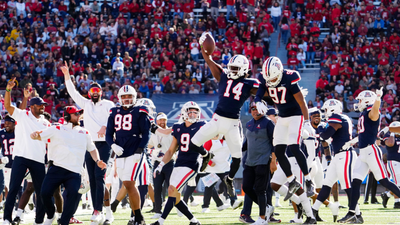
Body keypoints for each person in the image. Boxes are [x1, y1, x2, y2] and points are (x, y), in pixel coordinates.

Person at [190, 32, 260, 197]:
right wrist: (203, 47)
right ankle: (206, 155)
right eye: (231, 67)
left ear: (243, 69)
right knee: (193, 143)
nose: (232, 70)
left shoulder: (250, 83)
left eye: (236, 68)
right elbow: (208, 59)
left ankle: (229, 179)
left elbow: (265, 93)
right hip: (217, 119)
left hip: (232, 124)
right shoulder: (223, 75)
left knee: (237, 158)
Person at [30, 106, 107, 225]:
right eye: (75, 114)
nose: (78, 116)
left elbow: (92, 149)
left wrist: (98, 161)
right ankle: (51, 215)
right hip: (56, 168)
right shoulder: (56, 128)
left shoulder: (85, 132)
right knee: (44, 193)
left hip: (74, 172)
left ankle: (64, 221)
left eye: (79, 114)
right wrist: (35, 135)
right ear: (66, 116)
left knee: (72, 195)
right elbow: (39, 135)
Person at [255, 56, 315, 202]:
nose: (272, 82)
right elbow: (258, 94)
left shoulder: (289, 77)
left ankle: (308, 181)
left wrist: (306, 121)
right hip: (281, 117)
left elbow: (301, 102)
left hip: (296, 116)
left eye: (274, 78)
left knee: (294, 146)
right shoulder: (264, 77)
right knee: (279, 150)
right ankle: (292, 180)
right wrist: (258, 102)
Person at [61, 63, 115, 223]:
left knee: (100, 177)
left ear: (101, 92)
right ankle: (100, 210)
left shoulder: (108, 104)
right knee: (92, 179)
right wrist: (66, 75)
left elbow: (114, 119)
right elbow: (73, 92)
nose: (94, 93)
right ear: (89, 93)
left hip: (105, 144)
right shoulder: (86, 104)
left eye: (97, 91)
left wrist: (106, 126)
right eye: (92, 91)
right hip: (89, 145)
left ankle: (99, 210)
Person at [339, 89, 400, 223]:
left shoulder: (372, 112)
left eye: (360, 100)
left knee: (384, 181)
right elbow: (363, 134)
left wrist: (378, 98)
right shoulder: (363, 113)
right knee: (354, 182)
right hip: (363, 153)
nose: (358, 102)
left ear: (367, 101)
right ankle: (353, 214)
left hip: (372, 151)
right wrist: (351, 142)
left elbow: (375, 111)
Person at [2, 78, 50, 225]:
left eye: (43, 105)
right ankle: (6, 219)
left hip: (38, 160)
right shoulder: (22, 115)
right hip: (21, 157)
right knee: (14, 188)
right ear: (32, 106)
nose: (43, 107)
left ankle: (39, 220)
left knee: (41, 192)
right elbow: (8, 106)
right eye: (40, 105)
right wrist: (8, 90)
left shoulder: (45, 122)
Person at [150, 101, 203, 225]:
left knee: (173, 189)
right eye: (190, 112)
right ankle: (194, 221)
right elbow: (170, 151)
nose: (193, 114)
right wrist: (161, 165)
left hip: (191, 164)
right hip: (178, 163)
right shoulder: (178, 128)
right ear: (184, 113)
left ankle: (160, 221)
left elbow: (215, 135)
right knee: (174, 194)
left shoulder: (201, 125)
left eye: (195, 112)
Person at [105, 85, 151, 225]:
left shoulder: (140, 110)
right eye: (124, 97)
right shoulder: (114, 111)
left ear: (134, 97)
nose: (127, 99)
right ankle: (138, 217)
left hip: (134, 151)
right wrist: (112, 145)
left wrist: (140, 149)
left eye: (129, 96)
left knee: (130, 183)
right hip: (120, 151)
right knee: (126, 183)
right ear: (119, 98)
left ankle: (138, 217)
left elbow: (146, 133)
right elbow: (108, 134)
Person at [311, 99, 355, 222]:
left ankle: (355, 213)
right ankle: (313, 210)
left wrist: (320, 128)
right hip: (339, 155)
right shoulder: (342, 117)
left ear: (332, 109)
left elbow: (325, 135)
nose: (325, 112)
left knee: (347, 185)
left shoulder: (337, 117)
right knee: (327, 183)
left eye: (326, 110)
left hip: (345, 155)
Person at [241, 101, 277, 225]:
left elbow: (275, 143)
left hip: (263, 160)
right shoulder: (249, 123)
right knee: (246, 187)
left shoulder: (268, 123)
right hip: (249, 161)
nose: (255, 111)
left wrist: (273, 161)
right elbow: (245, 144)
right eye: (252, 109)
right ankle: (266, 207)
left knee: (261, 190)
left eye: (257, 109)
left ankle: (262, 218)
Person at [148, 113, 174, 219]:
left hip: (169, 162)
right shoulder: (153, 133)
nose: (162, 122)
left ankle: (178, 208)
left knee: (171, 188)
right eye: (160, 120)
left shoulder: (171, 132)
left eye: (164, 120)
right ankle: (158, 210)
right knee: (157, 188)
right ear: (156, 121)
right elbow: (149, 145)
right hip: (157, 162)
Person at [380, 121, 400, 209]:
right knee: (397, 183)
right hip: (393, 161)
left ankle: (387, 195)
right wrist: (392, 133)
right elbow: (390, 143)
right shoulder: (388, 135)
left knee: (398, 183)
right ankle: (397, 202)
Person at [0, 115, 13, 205]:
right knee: (7, 187)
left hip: (18, 163)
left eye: (9, 123)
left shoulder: (19, 133)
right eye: (5, 123)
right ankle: (9, 207)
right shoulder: (1, 133)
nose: (6, 125)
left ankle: (22, 210)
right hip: (6, 164)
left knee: (17, 187)